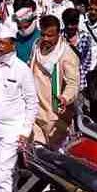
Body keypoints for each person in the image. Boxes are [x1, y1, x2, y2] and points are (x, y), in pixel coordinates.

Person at [0, 25, 38, 192]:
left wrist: (25, 130)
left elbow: (31, 102)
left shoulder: (22, 70)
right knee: (4, 166)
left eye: (2, 43)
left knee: (2, 171)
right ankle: (14, 182)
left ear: (13, 45)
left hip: (11, 129)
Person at [30, 15, 79, 149]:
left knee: (54, 156)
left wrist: (65, 98)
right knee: (37, 152)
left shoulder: (67, 54)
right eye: (43, 34)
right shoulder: (36, 46)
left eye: (50, 35)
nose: (46, 39)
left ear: (59, 33)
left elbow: (73, 84)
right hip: (34, 110)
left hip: (55, 115)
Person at [61, 8, 94, 90]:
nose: (70, 27)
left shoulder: (85, 37)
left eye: (73, 24)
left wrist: (81, 76)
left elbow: (86, 61)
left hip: (79, 81)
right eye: (67, 24)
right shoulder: (59, 37)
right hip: (62, 79)